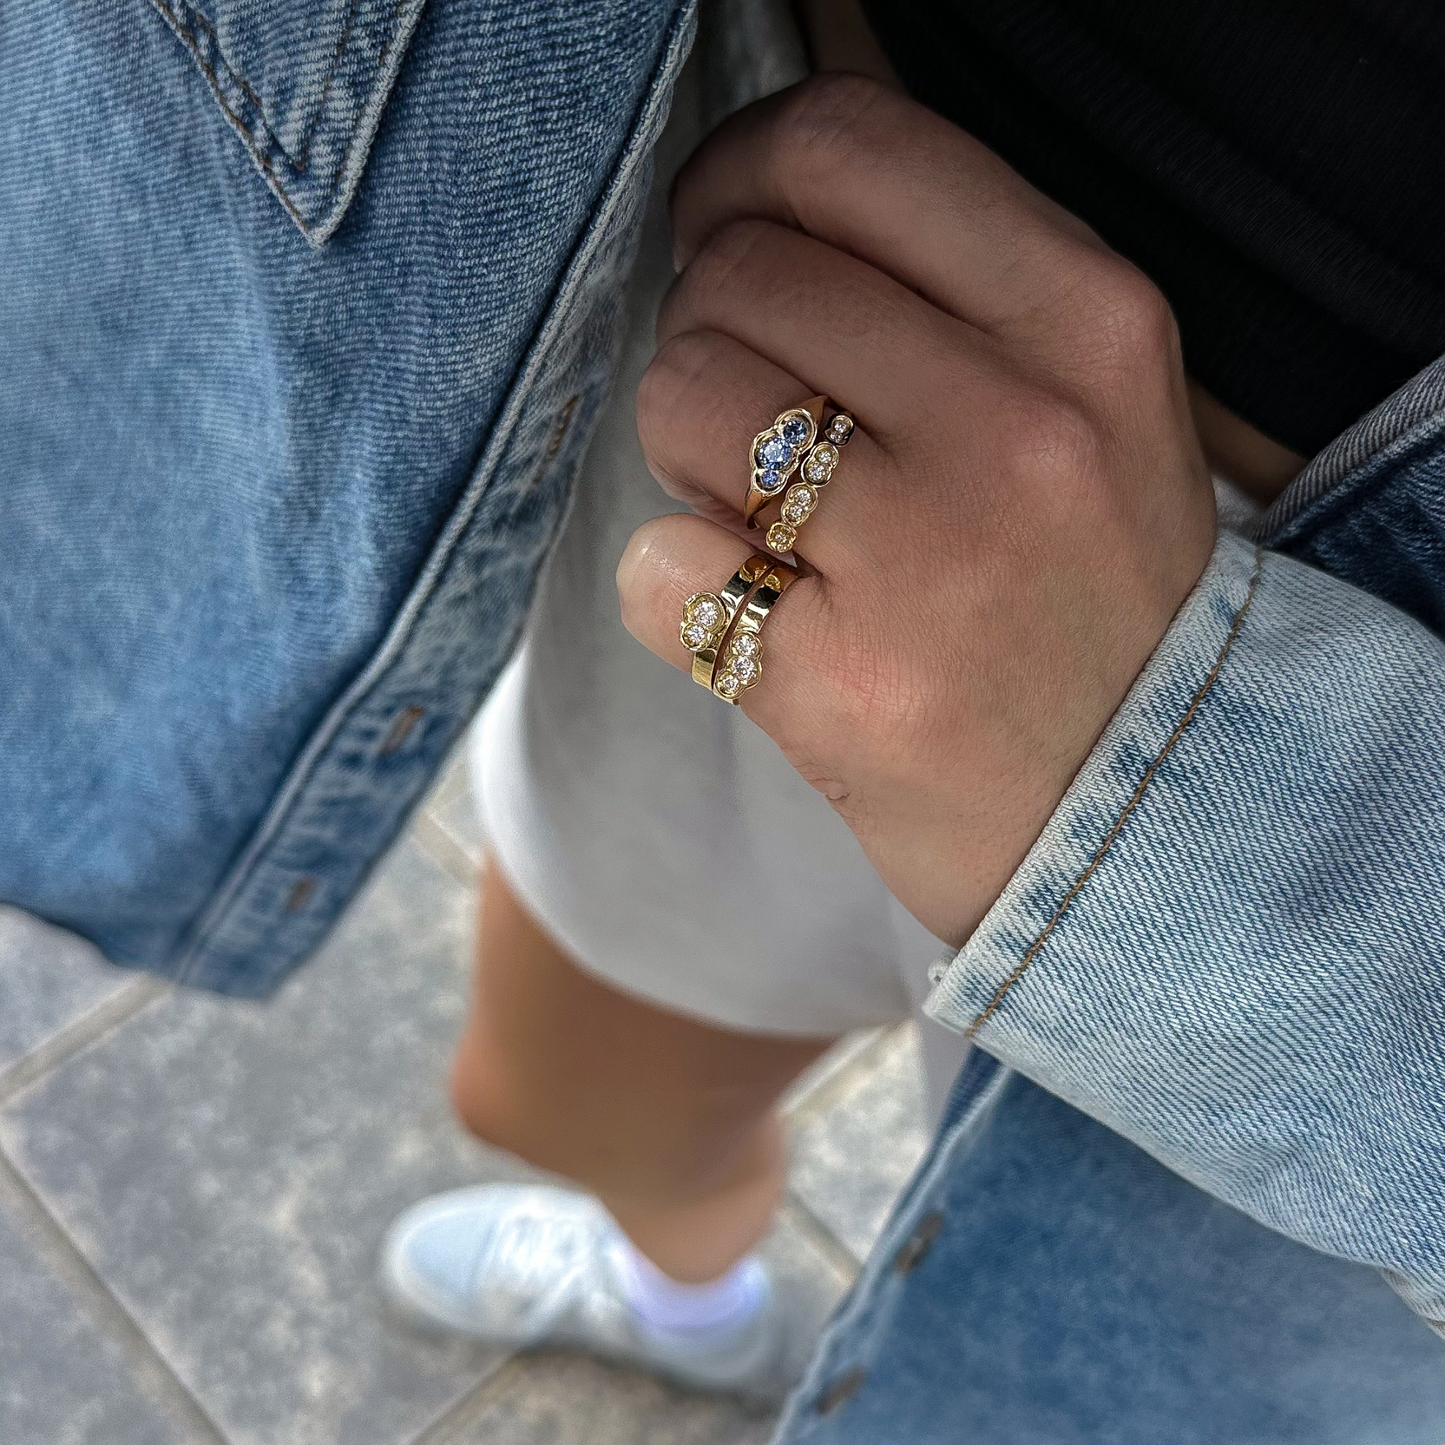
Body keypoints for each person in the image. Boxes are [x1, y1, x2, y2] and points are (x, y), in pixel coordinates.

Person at [381, 2, 1445, 1439]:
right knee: (562, 1101)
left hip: (1382, 863)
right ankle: (689, 1311)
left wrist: (1177, 802)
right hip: (810, 387)